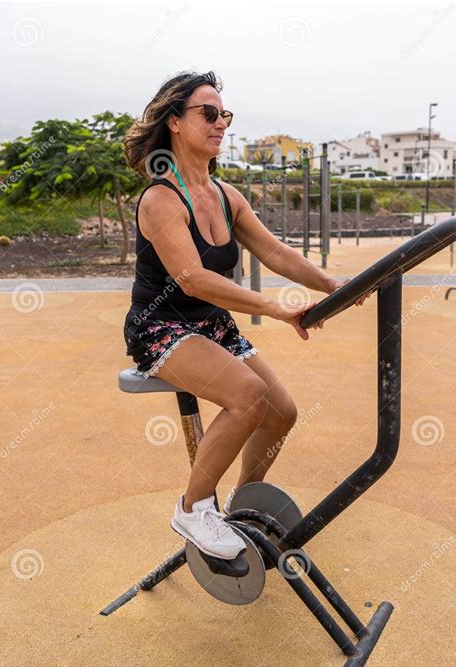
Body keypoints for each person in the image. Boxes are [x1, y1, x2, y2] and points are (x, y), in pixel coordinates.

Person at [123, 70, 371, 561]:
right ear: (174, 122)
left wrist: (332, 284)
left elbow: (277, 253)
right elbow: (193, 278)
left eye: (225, 115)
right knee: (247, 396)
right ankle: (193, 508)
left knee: (281, 411)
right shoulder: (160, 199)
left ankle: (238, 505)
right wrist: (276, 308)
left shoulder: (225, 194)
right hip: (162, 326)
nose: (221, 123)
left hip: (209, 325)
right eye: (208, 113)